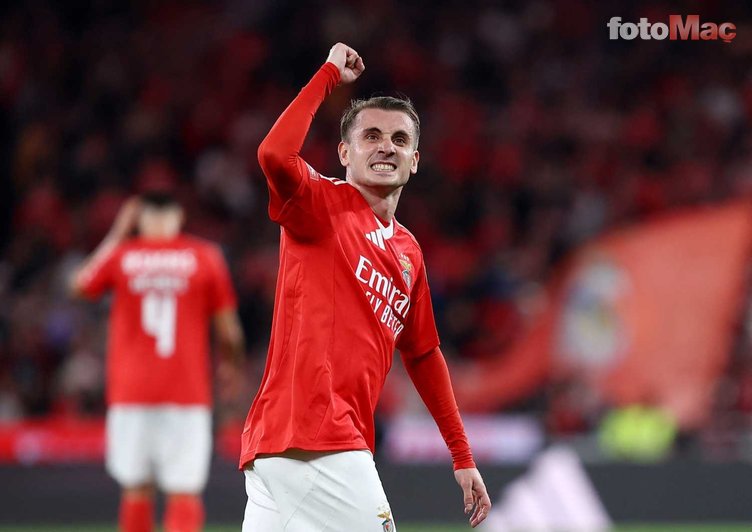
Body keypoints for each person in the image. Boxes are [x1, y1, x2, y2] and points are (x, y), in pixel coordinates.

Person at [240, 42, 491, 531]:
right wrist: (328, 75)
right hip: (317, 436)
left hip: (288, 446)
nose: (386, 147)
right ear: (344, 152)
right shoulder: (320, 205)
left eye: (399, 139)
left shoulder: (408, 252)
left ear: (414, 160)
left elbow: (423, 355)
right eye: (371, 136)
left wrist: (462, 455)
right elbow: (273, 153)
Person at [70, 187, 245, 532]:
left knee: (136, 488)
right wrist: (231, 366)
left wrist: (118, 233)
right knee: (184, 491)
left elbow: (79, 285)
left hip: (130, 393)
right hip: (187, 394)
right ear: (178, 216)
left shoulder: (124, 256)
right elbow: (229, 332)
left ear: (141, 219)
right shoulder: (205, 256)